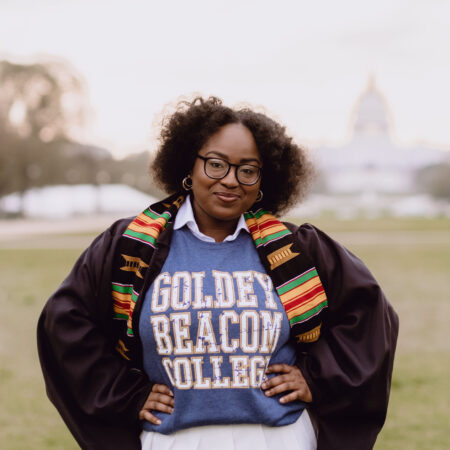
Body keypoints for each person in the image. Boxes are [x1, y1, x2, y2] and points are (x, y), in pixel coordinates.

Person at [37, 96, 399, 450]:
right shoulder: (132, 245)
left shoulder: (296, 249)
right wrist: (126, 396)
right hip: (173, 440)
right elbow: (65, 322)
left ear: (263, 179)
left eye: (247, 170)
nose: (230, 180)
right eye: (216, 164)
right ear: (188, 167)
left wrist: (316, 378)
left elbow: (369, 314)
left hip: (277, 438)